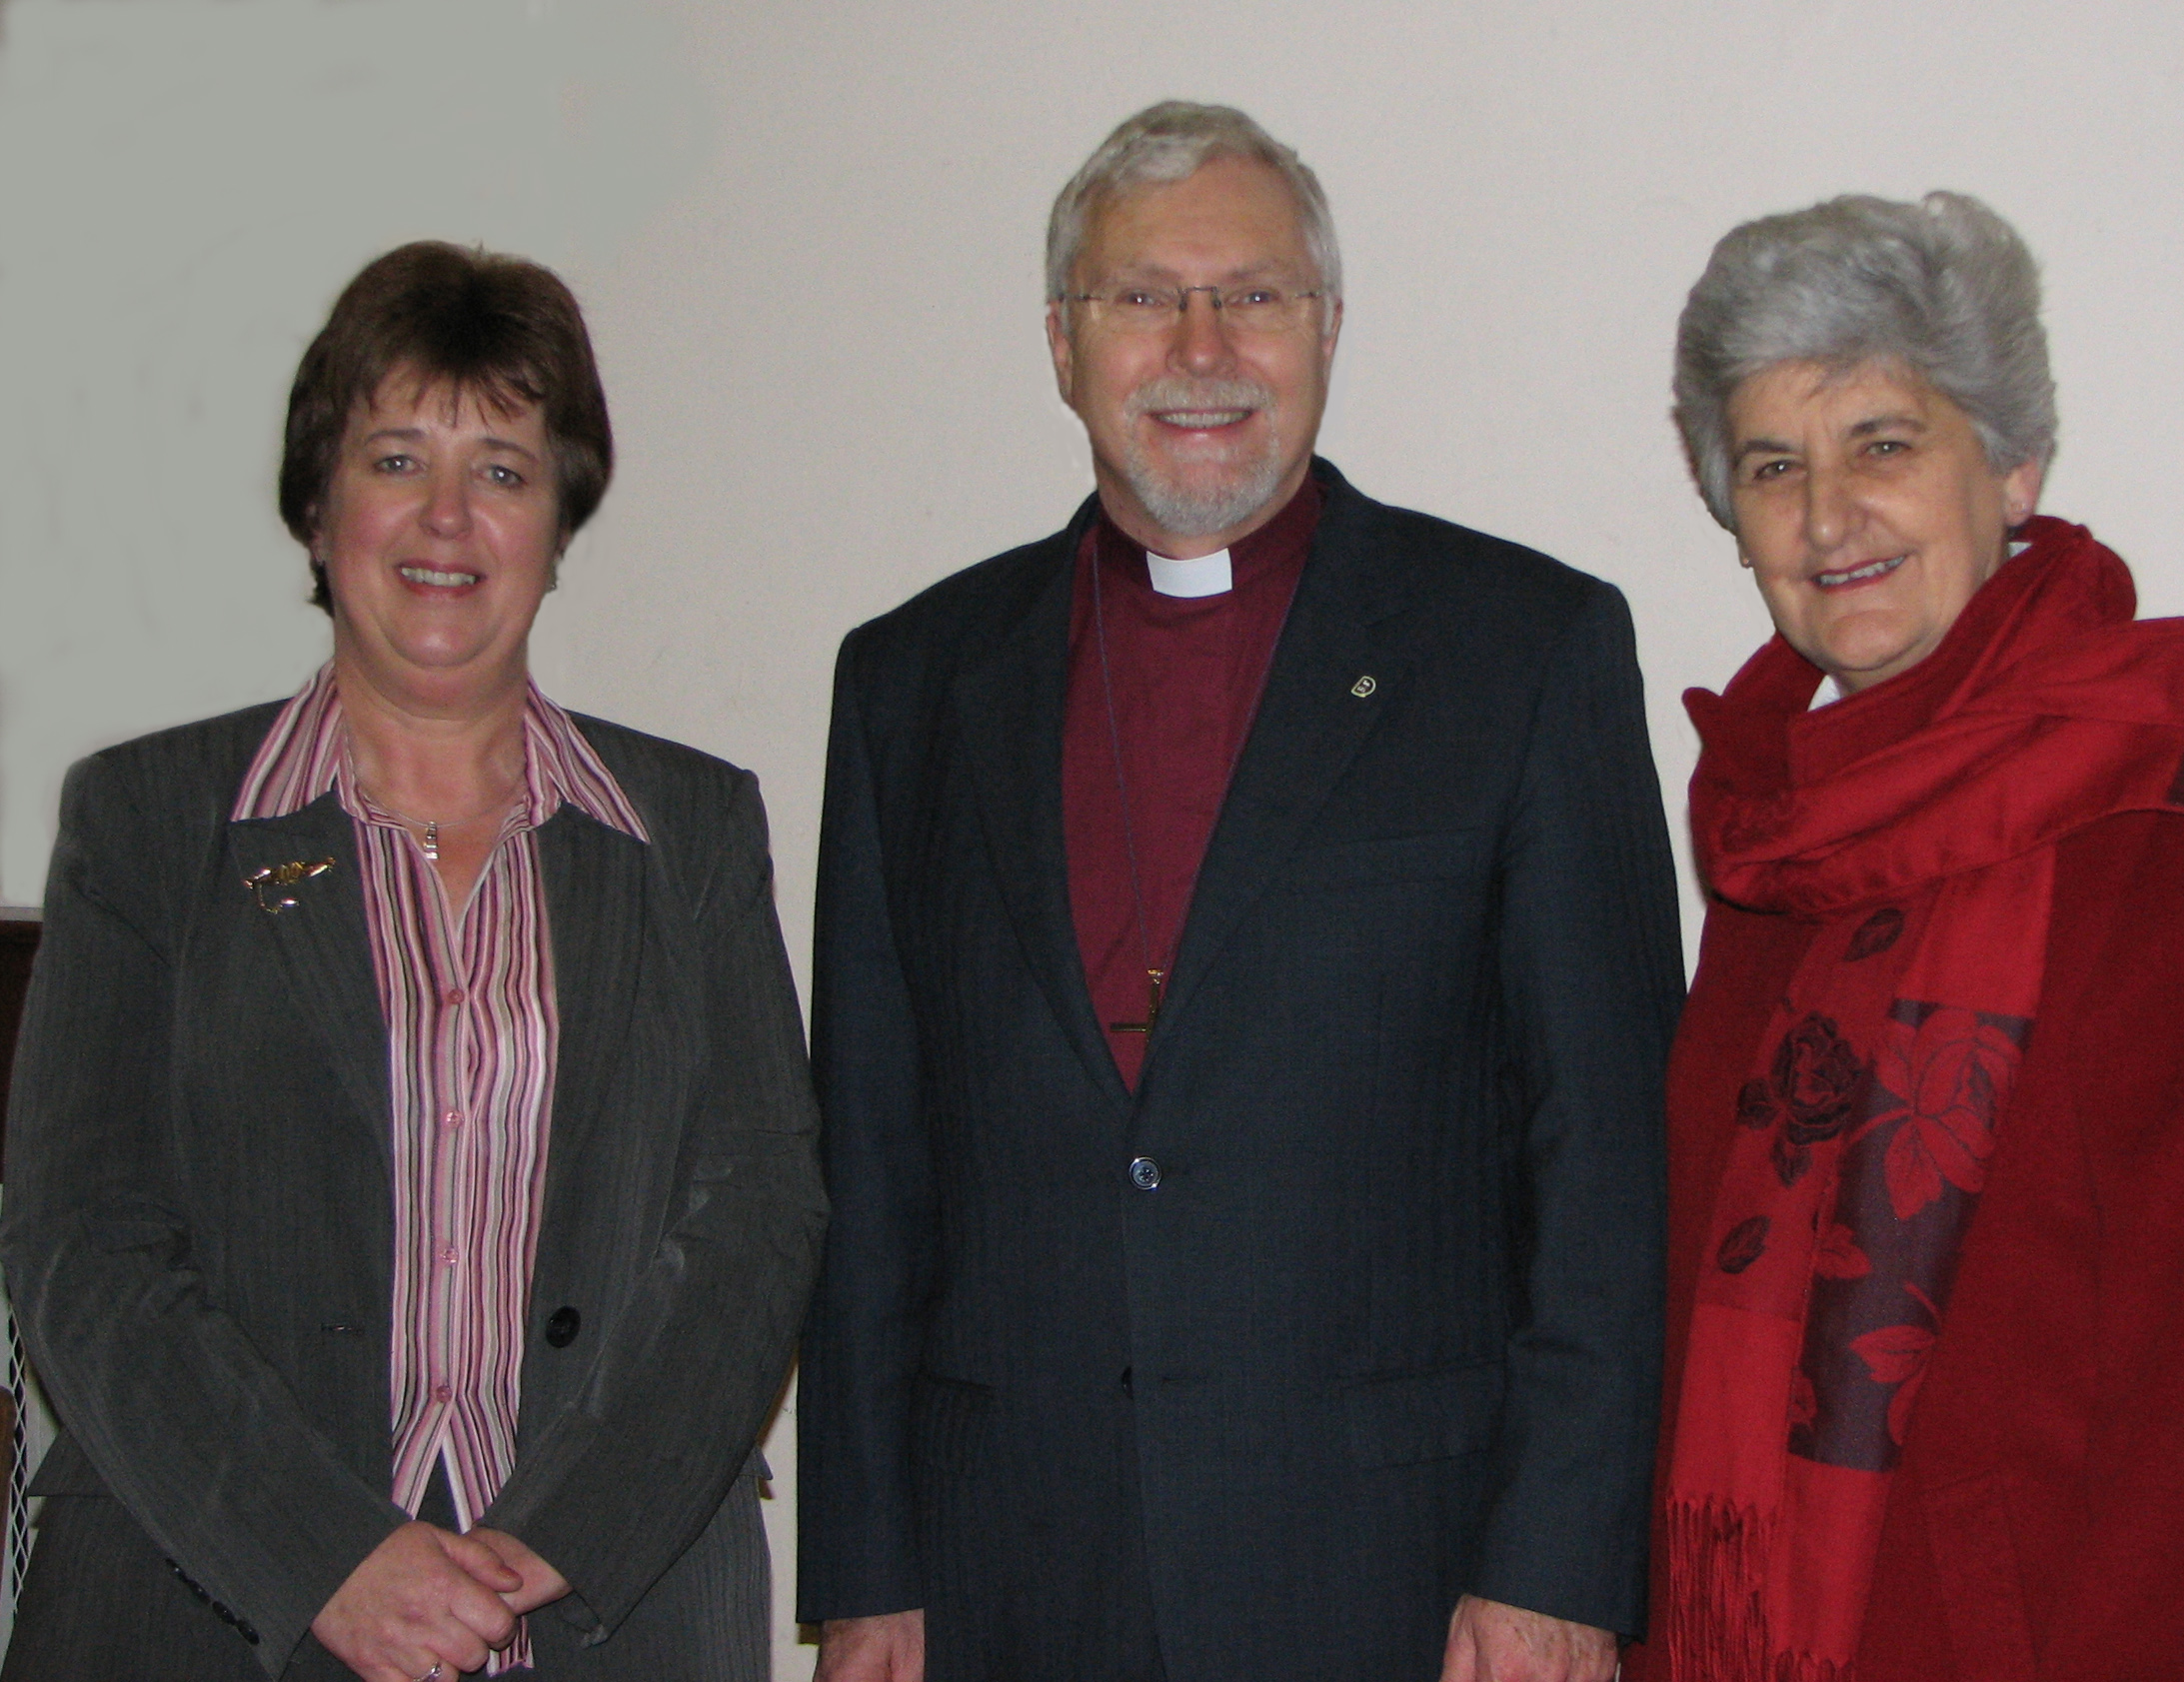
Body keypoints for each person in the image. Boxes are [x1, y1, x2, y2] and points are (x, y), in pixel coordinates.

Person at [798, 102, 1681, 1682]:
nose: (1201, 346)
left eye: (1255, 296)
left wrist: (1557, 1563)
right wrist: (868, 1570)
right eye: (1144, 298)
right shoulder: (912, 683)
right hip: (1012, 1576)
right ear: (1065, 344)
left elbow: (1607, 1154)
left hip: (1403, 1577)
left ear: (1329, 330)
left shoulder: (1521, 650)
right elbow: (870, 1166)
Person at [1631, 191, 2184, 1682]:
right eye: (1777, 465)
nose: (1829, 516)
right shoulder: (1777, 828)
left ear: (2012, 464)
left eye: (1884, 443)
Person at [0, 242, 828, 1682]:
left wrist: (566, 1540)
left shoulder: (693, 828)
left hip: (601, 1611)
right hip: (199, 1604)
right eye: (397, 458)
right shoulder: (145, 824)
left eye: (504, 469)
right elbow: (84, 1240)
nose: (449, 518)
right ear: (317, 509)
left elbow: (762, 1213)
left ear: (559, 520)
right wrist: (325, 1556)